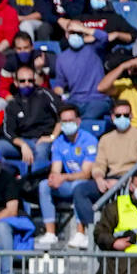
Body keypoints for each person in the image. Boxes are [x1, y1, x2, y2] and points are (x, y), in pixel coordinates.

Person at [75, 100, 137, 220]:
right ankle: (92, 228)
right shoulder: (106, 139)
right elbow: (99, 164)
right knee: (81, 190)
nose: (122, 118)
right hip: (109, 180)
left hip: (131, 180)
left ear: (131, 116)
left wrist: (125, 182)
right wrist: (99, 178)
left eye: (126, 115)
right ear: (112, 117)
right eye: (118, 115)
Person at [36, 103, 97, 250]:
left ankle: (80, 233)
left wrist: (63, 177)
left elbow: (86, 173)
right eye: (64, 122)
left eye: (70, 120)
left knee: (79, 186)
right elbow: (56, 168)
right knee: (44, 185)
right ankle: (50, 232)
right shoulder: (58, 142)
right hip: (67, 182)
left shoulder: (89, 140)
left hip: (85, 185)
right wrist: (54, 178)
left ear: (78, 121)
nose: (68, 124)